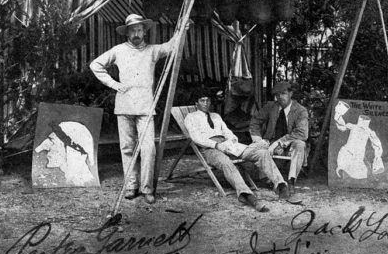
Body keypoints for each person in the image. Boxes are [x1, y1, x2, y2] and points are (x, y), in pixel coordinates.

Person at [90, 13, 180, 204]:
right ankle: (131, 185)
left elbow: (171, 46)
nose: (136, 33)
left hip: (146, 107)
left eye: (139, 30)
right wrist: (114, 84)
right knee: (127, 148)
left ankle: (147, 188)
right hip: (124, 106)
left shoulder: (152, 51)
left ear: (144, 31)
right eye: (133, 30)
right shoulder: (118, 50)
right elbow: (95, 65)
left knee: (148, 149)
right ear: (127, 33)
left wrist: (182, 29)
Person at [184, 91, 288, 212]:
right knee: (226, 162)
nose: (206, 103)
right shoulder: (191, 117)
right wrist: (216, 145)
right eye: (202, 100)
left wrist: (232, 139)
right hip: (209, 148)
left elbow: (226, 131)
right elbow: (196, 138)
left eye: (208, 100)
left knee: (262, 153)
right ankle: (246, 195)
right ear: (196, 103)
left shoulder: (216, 116)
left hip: (228, 144)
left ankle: (280, 185)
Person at [249, 81, 308, 197]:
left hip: (290, 143)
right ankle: (269, 180)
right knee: (260, 147)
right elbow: (255, 122)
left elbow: (302, 133)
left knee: (300, 144)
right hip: (271, 142)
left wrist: (279, 142)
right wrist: (258, 138)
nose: (280, 97)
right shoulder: (271, 107)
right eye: (277, 94)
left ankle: (291, 181)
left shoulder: (300, 110)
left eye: (283, 93)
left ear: (290, 93)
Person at [35, 121, 96, 186]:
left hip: (75, 145)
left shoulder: (73, 152)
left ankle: (76, 179)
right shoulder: (57, 140)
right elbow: (50, 141)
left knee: (73, 166)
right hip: (68, 139)